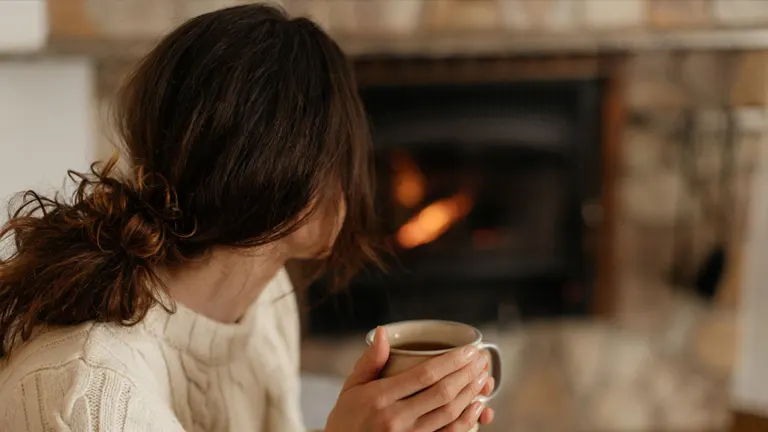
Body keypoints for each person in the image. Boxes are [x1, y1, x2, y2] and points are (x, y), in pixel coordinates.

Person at [0, 4, 496, 432]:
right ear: (292, 182)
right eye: (342, 159)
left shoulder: (264, 304)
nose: (350, 185)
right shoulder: (87, 398)